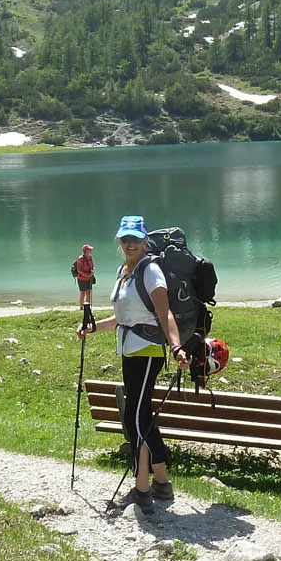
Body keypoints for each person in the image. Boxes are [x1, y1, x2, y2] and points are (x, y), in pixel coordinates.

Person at [78, 215, 186, 514]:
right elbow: (123, 319)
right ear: (118, 240)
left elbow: (164, 315)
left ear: (145, 240)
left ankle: (141, 489)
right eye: (125, 238)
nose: (130, 243)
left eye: (135, 239)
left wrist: (176, 346)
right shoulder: (124, 271)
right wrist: (92, 328)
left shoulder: (151, 271)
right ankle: (161, 483)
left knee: (136, 418)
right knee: (142, 415)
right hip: (129, 349)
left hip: (148, 350)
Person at [71, 244, 96, 329]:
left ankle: (87, 307)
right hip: (81, 278)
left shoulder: (90, 258)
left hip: (88, 278)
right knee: (82, 293)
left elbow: (93, 266)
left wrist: (92, 272)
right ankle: (81, 307)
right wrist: (87, 275)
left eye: (91, 250)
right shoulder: (81, 259)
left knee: (88, 293)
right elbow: (79, 270)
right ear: (85, 252)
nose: (90, 252)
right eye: (89, 250)